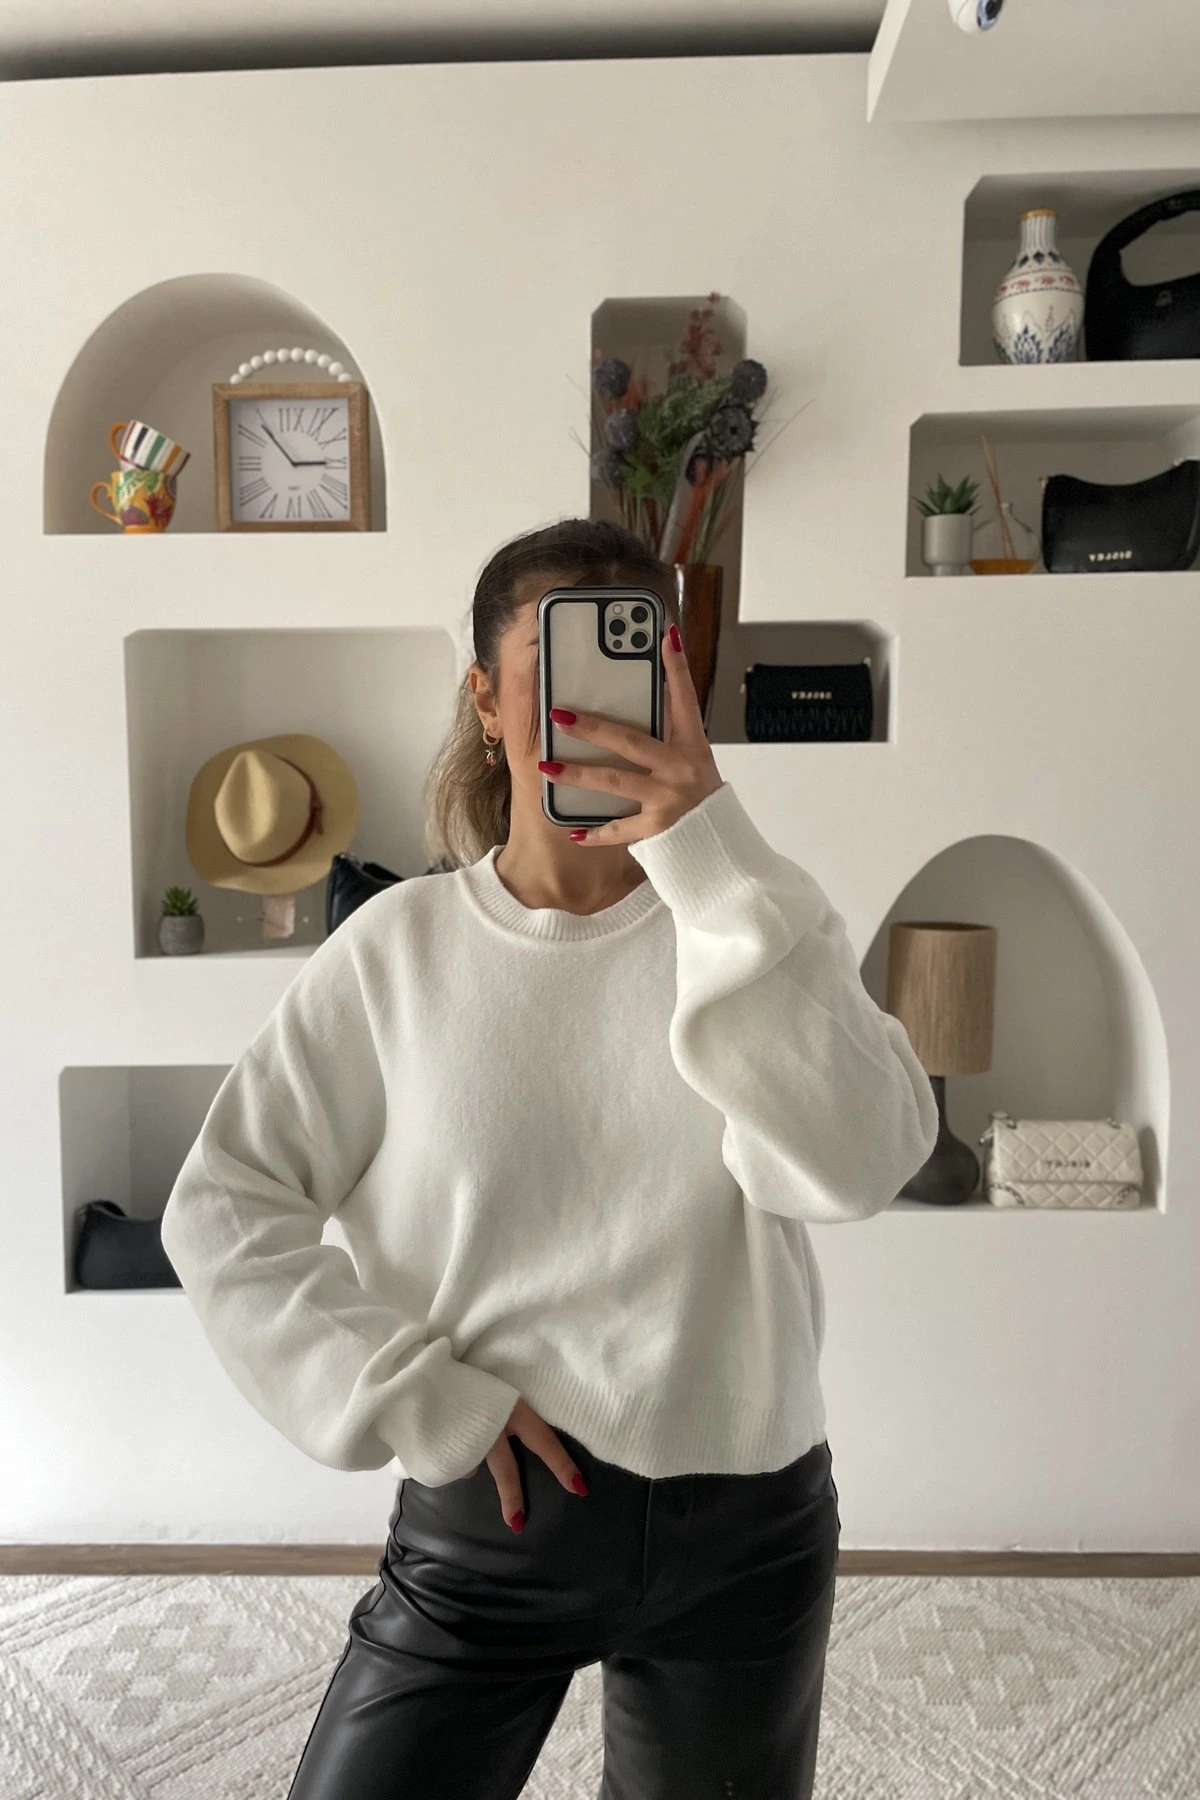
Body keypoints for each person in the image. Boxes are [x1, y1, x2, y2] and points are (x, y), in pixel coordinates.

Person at [160, 516, 939, 1799]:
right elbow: (224, 1205)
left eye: (641, 669)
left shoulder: (748, 924)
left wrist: (710, 849)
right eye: (560, 668)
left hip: (749, 1532)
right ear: (484, 700)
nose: (603, 709)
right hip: (492, 1522)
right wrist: (411, 1394)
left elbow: (864, 1160)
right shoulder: (397, 951)